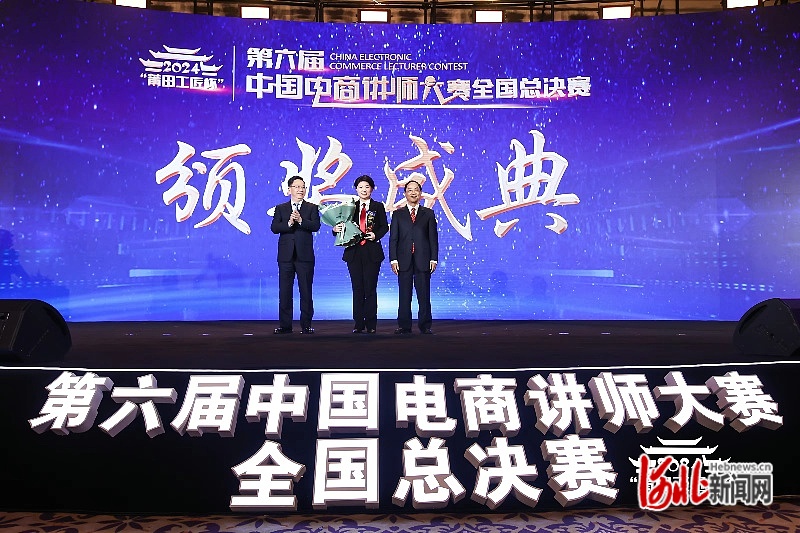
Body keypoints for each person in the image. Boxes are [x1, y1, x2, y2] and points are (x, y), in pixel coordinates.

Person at [333, 175, 389, 334]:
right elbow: (341, 225)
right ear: (356, 189)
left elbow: (384, 226)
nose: (364, 190)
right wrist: (335, 229)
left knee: (370, 288)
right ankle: (358, 323)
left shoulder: (378, 206)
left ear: (372, 188)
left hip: (372, 251)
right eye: (361, 187)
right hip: (354, 251)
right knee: (357, 288)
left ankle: (371, 324)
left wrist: (376, 235)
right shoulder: (350, 207)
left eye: (367, 187)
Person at [270, 176, 320, 334]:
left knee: (306, 291)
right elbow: (274, 228)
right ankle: (285, 326)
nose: (300, 190)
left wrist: (301, 221)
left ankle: (306, 325)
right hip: (286, 256)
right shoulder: (281, 208)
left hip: (304, 256)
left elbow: (316, 226)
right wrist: (289, 223)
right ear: (289, 189)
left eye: (303, 187)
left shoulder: (311, 208)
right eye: (297, 187)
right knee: (285, 291)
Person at [389, 180, 438, 335]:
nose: (413, 192)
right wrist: (393, 259)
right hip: (403, 260)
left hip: (423, 259)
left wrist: (434, 258)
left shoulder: (428, 213)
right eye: (409, 190)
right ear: (405, 194)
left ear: (420, 193)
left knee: (424, 295)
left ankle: (425, 325)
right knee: (404, 294)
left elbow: (433, 238)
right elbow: (393, 239)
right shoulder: (398, 214)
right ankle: (404, 325)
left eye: (416, 189)